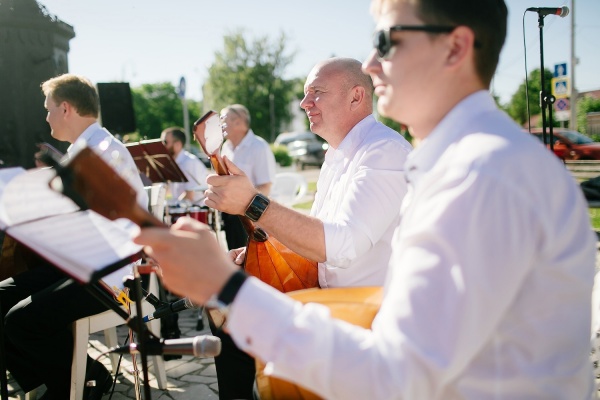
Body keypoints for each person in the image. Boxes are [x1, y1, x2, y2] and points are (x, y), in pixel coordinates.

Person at [135, 0, 597, 398]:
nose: (372, 65)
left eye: (387, 41)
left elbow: (397, 378)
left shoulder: (481, 175)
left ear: (455, 47)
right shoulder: (456, 160)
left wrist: (227, 285)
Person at [199, 57, 412, 399]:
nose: (304, 103)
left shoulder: (383, 151)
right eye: (304, 93)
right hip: (327, 302)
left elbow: (341, 246)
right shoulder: (337, 154)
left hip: (367, 318)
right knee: (225, 300)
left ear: (356, 96)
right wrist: (257, 251)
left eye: (316, 92)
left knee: (238, 317)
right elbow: (317, 237)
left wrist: (253, 203)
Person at [0, 73, 148, 400]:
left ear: (66, 108)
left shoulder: (104, 151)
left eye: (49, 108)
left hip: (111, 273)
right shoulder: (79, 151)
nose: (46, 116)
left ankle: (87, 380)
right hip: (78, 262)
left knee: (22, 321)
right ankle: (50, 380)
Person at [212, 104, 277, 251]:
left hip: (252, 216)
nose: (220, 125)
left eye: (223, 119)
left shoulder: (259, 147)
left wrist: (244, 206)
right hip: (231, 213)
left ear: (239, 122)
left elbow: (265, 187)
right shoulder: (226, 147)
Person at [160, 126, 208, 203]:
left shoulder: (189, 162)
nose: (162, 146)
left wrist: (172, 204)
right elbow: (167, 191)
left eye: (165, 142)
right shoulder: (172, 163)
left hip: (196, 211)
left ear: (178, 144)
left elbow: (189, 195)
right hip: (183, 209)